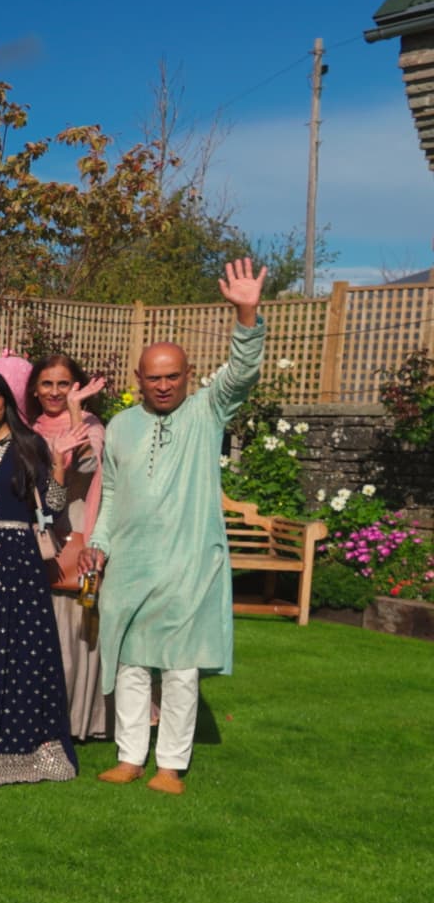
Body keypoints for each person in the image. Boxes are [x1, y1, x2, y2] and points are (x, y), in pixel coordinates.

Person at [87, 258, 269, 796]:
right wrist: (98, 542)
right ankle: (129, 756)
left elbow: (243, 372)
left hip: (190, 566)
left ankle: (170, 766)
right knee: (131, 665)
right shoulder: (121, 426)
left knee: (182, 671)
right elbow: (113, 493)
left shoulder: (206, 413)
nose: (163, 385)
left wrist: (247, 313)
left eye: (173, 376)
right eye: (154, 377)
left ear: (187, 377)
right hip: (131, 566)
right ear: (138, 380)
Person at [0, 370, 86, 790]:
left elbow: (54, 508)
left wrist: (60, 466)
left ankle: (26, 748)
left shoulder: (29, 445)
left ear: (5, 399)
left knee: (21, 655)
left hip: (16, 562)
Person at [27, 355, 110, 741]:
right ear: (35, 388)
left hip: (77, 529)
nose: (56, 392)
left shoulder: (92, 425)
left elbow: (87, 465)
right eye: (48, 384)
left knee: (73, 633)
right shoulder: (28, 427)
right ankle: (39, 712)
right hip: (38, 532)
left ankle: (75, 719)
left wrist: (77, 413)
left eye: (64, 384)